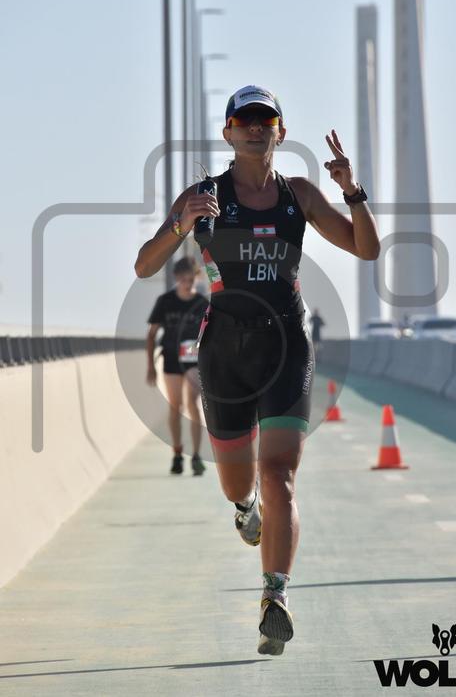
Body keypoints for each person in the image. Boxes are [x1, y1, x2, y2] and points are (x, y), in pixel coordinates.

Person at [135, 85, 380, 655]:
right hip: (223, 350)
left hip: (286, 345)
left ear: (280, 132)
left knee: (279, 474)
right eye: (243, 120)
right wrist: (181, 224)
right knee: (238, 483)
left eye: (264, 120)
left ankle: (275, 596)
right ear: (227, 132)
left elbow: (366, 250)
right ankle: (245, 511)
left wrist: (353, 192)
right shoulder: (203, 196)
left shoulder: (299, 195)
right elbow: (144, 265)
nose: (253, 128)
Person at [146, 256, 209, 476]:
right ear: (176, 278)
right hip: (171, 359)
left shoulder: (202, 304)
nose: (187, 284)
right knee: (175, 406)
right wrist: (150, 366)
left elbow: (212, 334)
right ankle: (177, 453)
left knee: (192, 403)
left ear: (196, 278)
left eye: (191, 280)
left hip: (193, 360)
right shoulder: (165, 301)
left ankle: (197, 456)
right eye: (183, 280)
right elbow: (152, 334)